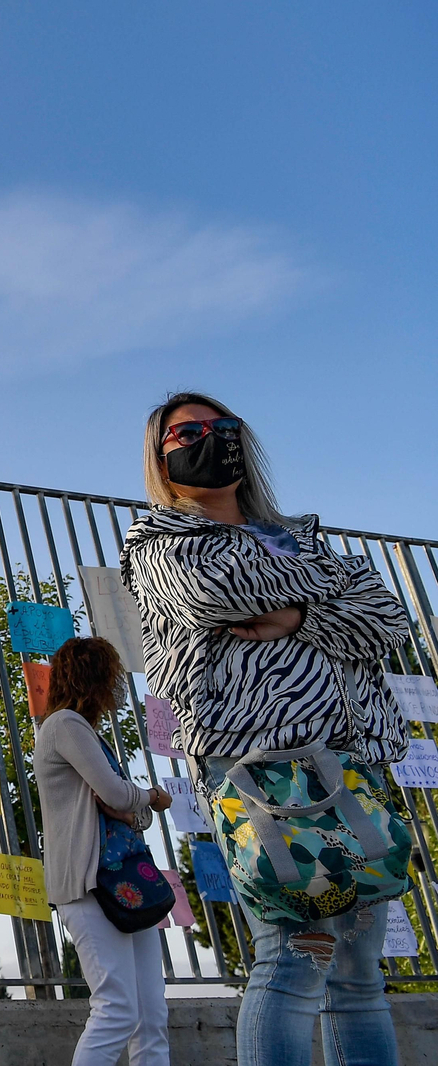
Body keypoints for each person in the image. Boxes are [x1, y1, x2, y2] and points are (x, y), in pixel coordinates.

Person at [121, 392, 411, 1066]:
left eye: (221, 426)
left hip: (352, 759)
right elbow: (215, 594)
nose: (209, 438)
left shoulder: (297, 535)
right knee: (292, 959)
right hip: (258, 768)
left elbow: (387, 619)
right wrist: (332, 589)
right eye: (186, 432)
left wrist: (298, 618)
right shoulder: (161, 543)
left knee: (359, 973)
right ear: (160, 458)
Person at [34, 636, 174, 1065]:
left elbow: (123, 809)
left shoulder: (85, 732)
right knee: (117, 1010)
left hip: (121, 882)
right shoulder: (65, 725)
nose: (117, 688)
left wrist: (133, 806)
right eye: (112, 677)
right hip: (89, 885)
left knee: (150, 1014)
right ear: (97, 679)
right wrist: (152, 796)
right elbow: (115, 794)